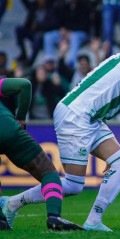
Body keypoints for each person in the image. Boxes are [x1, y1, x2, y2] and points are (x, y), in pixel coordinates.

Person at [1, 31, 120, 232]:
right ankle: (12, 203)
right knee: (73, 184)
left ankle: (94, 221)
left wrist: (106, 153)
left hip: (90, 118)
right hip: (77, 116)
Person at [0, 77, 83, 231]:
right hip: (8, 130)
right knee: (47, 172)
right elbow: (24, 85)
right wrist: (20, 117)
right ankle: (54, 217)